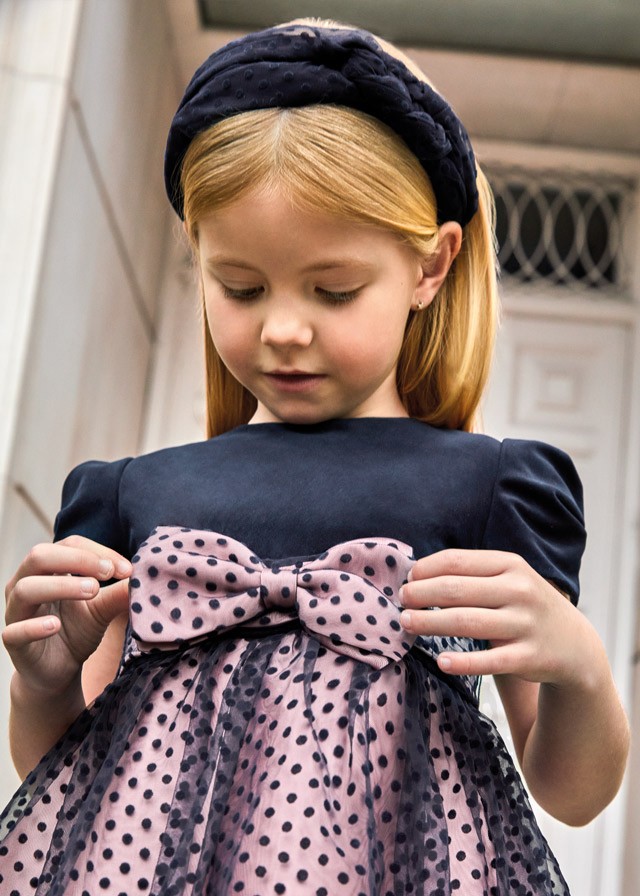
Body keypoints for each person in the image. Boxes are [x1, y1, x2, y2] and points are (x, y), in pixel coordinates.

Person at [0, 18, 629, 896]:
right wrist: (41, 685)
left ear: (431, 267)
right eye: (241, 287)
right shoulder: (134, 495)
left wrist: (578, 664)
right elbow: (75, 786)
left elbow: (571, 792)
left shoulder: (490, 489)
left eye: (334, 290)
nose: (284, 328)